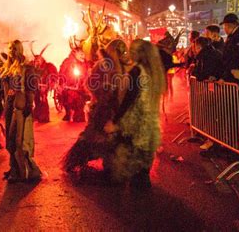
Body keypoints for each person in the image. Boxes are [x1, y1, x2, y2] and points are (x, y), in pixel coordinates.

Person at [63, 39, 130, 174]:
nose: (123, 53)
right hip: (104, 108)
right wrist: (104, 92)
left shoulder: (125, 66)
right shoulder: (102, 65)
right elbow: (90, 84)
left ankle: (113, 166)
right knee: (96, 137)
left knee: (116, 138)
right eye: (120, 51)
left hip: (119, 109)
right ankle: (80, 160)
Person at [107, 39, 167, 188]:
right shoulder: (155, 70)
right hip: (150, 120)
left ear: (141, 54)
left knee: (131, 151)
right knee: (146, 152)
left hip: (135, 119)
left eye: (133, 51)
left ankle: (135, 192)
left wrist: (115, 120)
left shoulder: (137, 71)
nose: (130, 53)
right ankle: (143, 182)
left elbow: (129, 98)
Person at [0, 40, 42, 183]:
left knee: (20, 141)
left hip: (20, 107)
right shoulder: (8, 68)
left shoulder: (26, 67)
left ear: (19, 50)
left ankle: (26, 171)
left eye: (13, 48)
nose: (11, 51)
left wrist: (29, 104)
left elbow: (31, 86)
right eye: (9, 48)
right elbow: (3, 88)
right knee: (10, 141)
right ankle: (14, 168)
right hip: (10, 106)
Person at [59, 45, 90, 122]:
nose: (83, 56)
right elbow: (62, 72)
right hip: (69, 85)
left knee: (82, 99)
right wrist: (61, 82)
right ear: (75, 53)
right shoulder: (67, 62)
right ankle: (68, 113)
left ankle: (79, 115)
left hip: (82, 84)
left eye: (83, 54)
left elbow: (88, 71)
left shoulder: (85, 63)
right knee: (66, 98)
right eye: (81, 54)